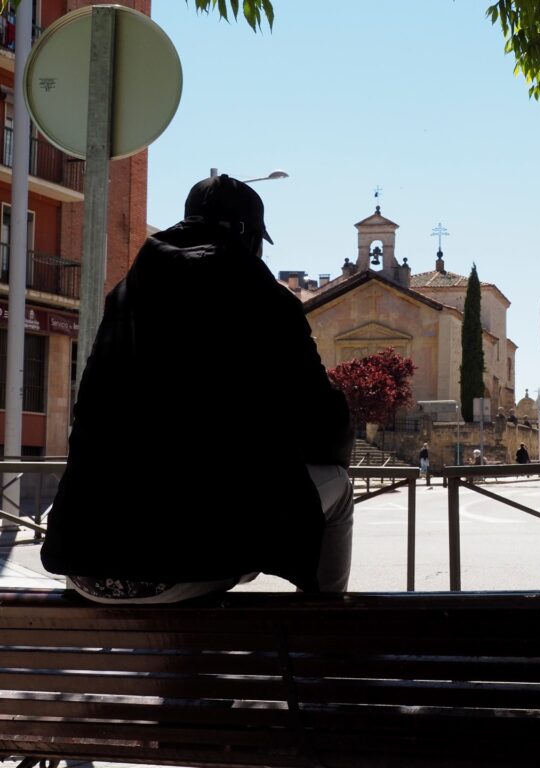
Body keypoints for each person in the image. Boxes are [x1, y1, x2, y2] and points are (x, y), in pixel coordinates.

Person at [41, 175, 355, 603]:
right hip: (182, 565)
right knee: (338, 490)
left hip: (85, 564)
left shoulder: (124, 296)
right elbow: (321, 419)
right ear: (245, 234)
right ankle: (322, 640)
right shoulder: (265, 300)